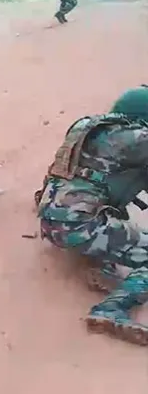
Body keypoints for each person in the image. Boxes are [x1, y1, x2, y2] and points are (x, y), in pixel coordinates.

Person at [34, 87, 148, 346]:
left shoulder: (88, 129)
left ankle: (98, 260)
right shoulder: (136, 138)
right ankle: (111, 310)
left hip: (52, 217)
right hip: (78, 226)